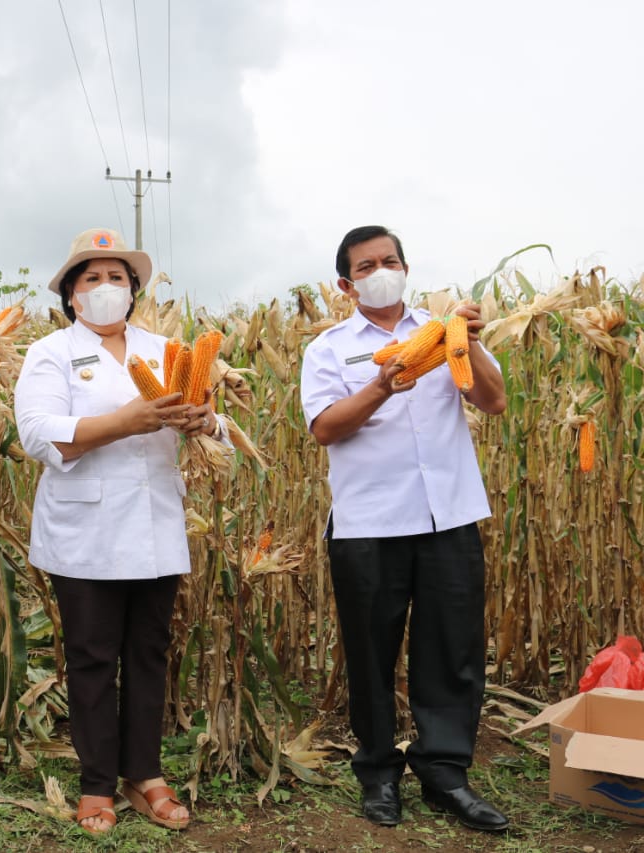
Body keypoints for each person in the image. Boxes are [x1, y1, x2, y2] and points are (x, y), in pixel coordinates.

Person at [300, 225, 509, 832]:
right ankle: (378, 773)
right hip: (369, 522)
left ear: (406, 266)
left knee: (452, 652)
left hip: (448, 513)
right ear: (347, 284)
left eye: (390, 260)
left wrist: (463, 343)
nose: (381, 271)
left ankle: (446, 775)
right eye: (367, 266)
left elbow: (493, 401)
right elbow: (325, 428)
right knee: (370, 654)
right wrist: (381, 387)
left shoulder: (442, 332)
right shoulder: (331, 349)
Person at [14, 228, 220, 836]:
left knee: (150, 655)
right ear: (71, 295)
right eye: (91, 278)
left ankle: (145, 775)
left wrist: (204, 419)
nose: (105, 288)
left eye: (117, 278)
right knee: (92, 658)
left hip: (155, 522)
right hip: (86, 529)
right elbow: (37, 433)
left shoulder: (165, 349)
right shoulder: (50, 353)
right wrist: (125, 420)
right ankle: (97, 783)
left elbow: (210, 420)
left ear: (134, 290)